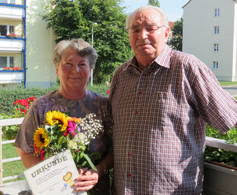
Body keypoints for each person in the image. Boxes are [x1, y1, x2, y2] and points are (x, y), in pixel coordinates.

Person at [109, 5, 237, 194]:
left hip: (173, 190)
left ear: (167, 33)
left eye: (150, 28)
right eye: (135, 29)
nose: (142, 35)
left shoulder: (187, 67)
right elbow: (112, 127)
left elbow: (228, 118)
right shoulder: (121, 75)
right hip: (124, 189)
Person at [15, 38, 113, 194]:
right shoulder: (41, 107)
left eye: (82, 64)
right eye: (68, 64)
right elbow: (25, 151)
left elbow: (116, 149)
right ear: (57, 69)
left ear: (91, 70)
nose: (75, 70)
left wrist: (98, 170)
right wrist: (51, 179)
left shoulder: (104, 106)